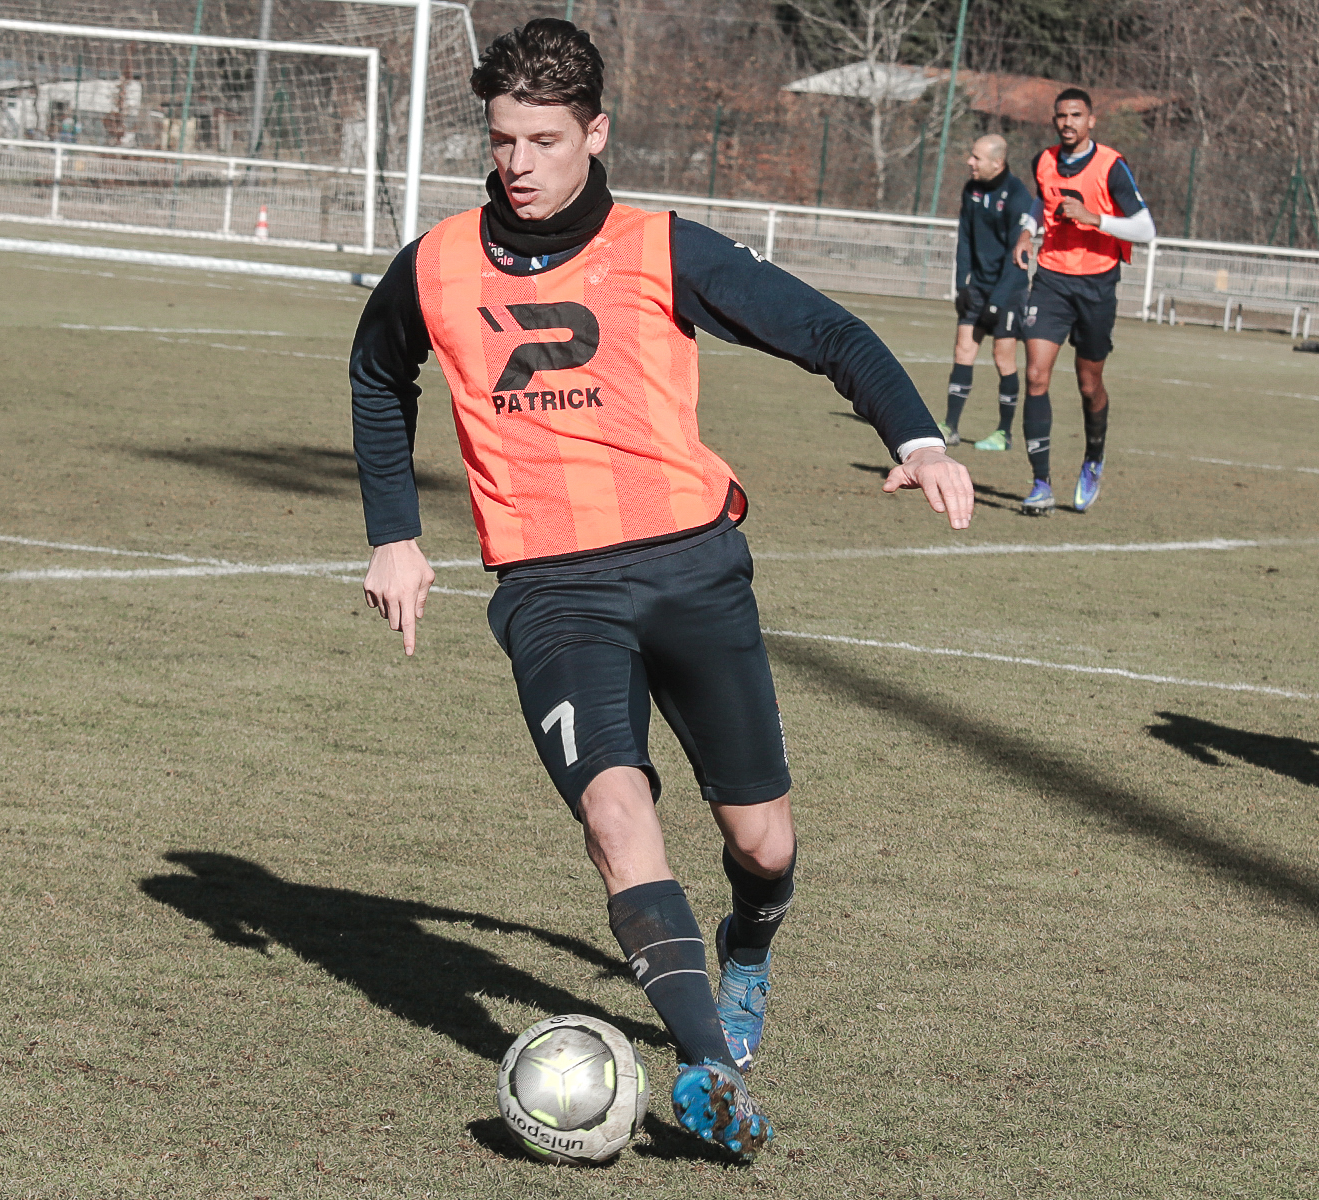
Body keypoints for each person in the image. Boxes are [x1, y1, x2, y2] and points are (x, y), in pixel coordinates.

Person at [350, 18, 974, 1162]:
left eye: (544, 139)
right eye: (501, 141)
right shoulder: (436, 262)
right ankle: (710, 1070)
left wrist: (920, 439)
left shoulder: (660, 247)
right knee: (614, 810)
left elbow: (825, 331)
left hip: (690, 569)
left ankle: (747, 945)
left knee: (765, 842)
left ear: (596, 132)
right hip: (549, 588)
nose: (518, 164)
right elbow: (375, 367)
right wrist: (394, 534)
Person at [1013, 87, 1154, 513]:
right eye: (1061, 116)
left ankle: (1093, 457)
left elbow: (1145, 229)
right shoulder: (1044, 159)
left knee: (1089, 384)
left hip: (1096, 285)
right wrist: (1026, 230)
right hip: (1052, 279)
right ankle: (1040, 484)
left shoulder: (1111, 166)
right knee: (1036, 377)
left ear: (1091, 120)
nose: (1068, 122)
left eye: (1076, 115)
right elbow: (1041, 200)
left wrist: (1097, 219)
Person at [943, 135, 1036, 452]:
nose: (970, 162)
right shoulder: (971, 189)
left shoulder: (1018, 196)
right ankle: (951, 427)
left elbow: (1017, 256)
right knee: (963, 351)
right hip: (978, 286)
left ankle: (1003, 433)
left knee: (1003, 358)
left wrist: (997, 303)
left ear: (997, 163)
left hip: (1008, 290)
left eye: (976, 157)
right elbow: (965, 240)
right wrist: (961, 285)